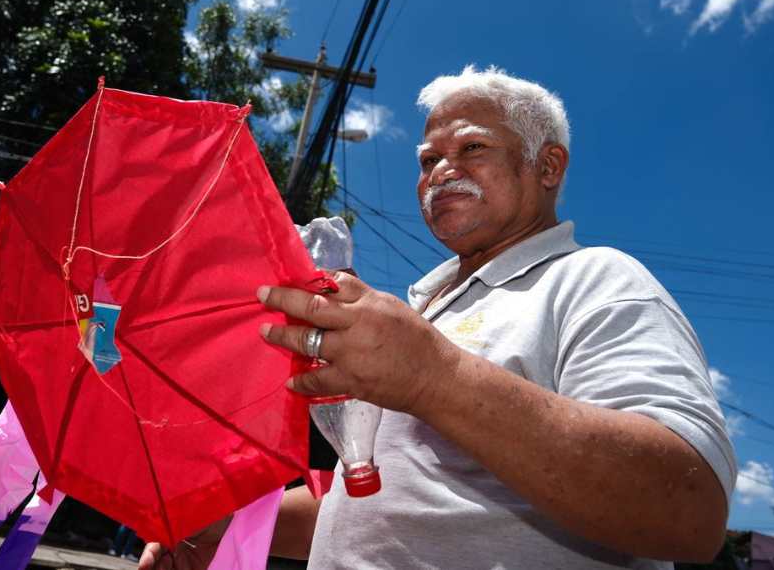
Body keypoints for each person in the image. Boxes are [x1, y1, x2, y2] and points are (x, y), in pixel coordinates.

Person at [140, 65, 735, 569]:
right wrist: (222, 529)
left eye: (472, 148)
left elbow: (690, 507)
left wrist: (432, 375)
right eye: (429, 159)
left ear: (548, 167)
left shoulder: (598, 280)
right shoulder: (425, 308)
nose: (441, 171)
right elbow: (370, 507)